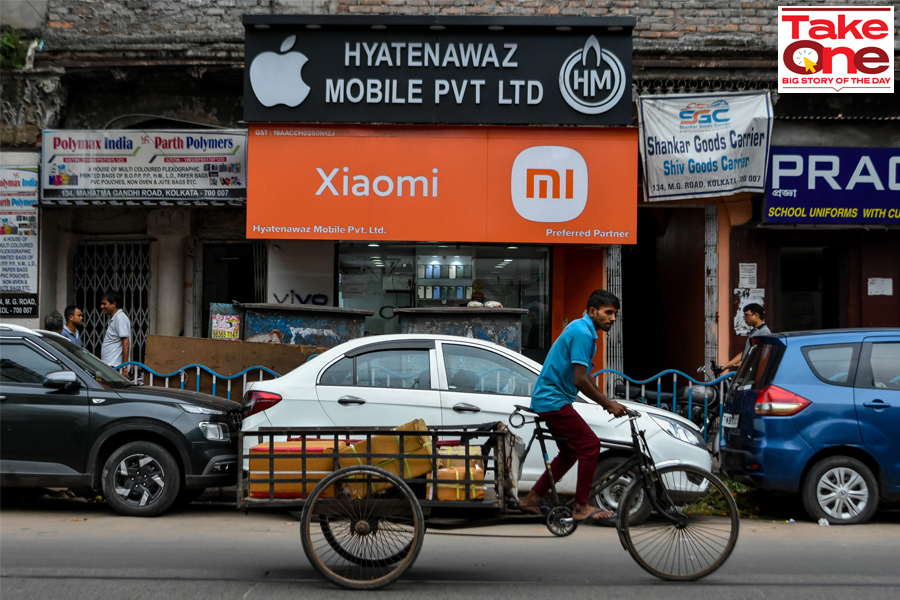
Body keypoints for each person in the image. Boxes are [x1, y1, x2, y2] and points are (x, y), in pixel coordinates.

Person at [518, 289, 628, 522]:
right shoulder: (582, 334)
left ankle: (531, 498)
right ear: (592, 311)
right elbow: (580, 379)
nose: (613, 318)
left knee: (570, 452)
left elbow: (584, 378)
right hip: (553, 400)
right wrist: (608, 404)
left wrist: (608, 401)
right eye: (608, 313)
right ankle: (581, 506)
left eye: (615, 314)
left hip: (553, 399)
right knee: (590, 445)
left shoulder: (583, 329)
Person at [722, 303, 771, 372]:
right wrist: (724, 367)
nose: (745, 318)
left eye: (746, 315)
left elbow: (764, 356)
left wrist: (747, 364)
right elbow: (745, 353)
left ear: (756, 315)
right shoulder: (755, 331)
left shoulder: (764, 333)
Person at [100, 291, 131, 377]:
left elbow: (126, 342)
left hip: (115, 366)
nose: (101, 306)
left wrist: (124, 367)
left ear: (113, 304)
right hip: (111, 366)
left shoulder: (120, 318)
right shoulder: (116, 318)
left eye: (104, 304)